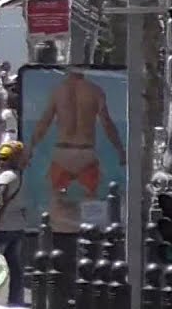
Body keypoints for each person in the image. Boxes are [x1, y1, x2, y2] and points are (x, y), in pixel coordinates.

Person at [23, 67, 126, 232]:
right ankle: (90, 235)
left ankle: (58, 235)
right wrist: (120, 149)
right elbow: (107, 123)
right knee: (90, 197)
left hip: (62, 152)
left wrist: (30, 147)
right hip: (86, 152)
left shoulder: (58, 91)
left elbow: (44, 123)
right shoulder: (95, 91)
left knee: (57, 198)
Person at [0, 141, 28, 306]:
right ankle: (16, 299)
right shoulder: (19, 176)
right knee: (14, 266)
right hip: (18, 226)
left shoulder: (5, 178)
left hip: (2, 228)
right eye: (0, 157)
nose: (1, 160)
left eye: (4, 157)